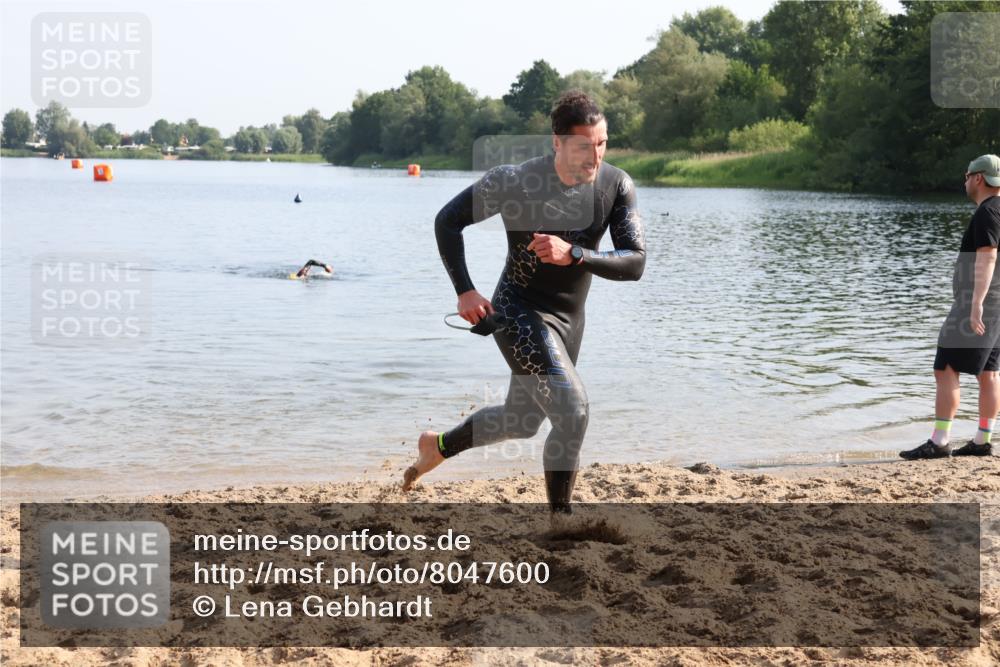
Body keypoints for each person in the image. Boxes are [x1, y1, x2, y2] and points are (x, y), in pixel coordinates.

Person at [402, 91, 646, 513]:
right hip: (518, 312)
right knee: (573, 413)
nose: (595, 156)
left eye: (602, 143)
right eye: (583, 146)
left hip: (570, 320)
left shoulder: (615, 185)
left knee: (522, 420)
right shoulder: (514, 182)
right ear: (557, 142)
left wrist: (575, 253)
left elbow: (635, 262)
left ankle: (436, 447)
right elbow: (448, 221)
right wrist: (465, 290)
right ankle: (560, 521)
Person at [901, 154, 1000, 460]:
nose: (965, 180)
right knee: (989, 372)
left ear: (979, 178)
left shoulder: (988, 212)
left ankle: (940, 440)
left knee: (945, 367)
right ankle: (983, 440)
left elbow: (988, 256)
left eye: (967, 175)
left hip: (980, 302)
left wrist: (976, 304)